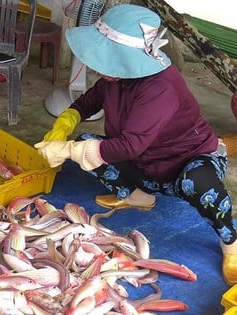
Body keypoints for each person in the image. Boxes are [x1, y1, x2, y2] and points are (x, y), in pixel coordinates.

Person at [34, 4, 237, 285]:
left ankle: (231, 242)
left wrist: (69, 151)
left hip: (187, 161)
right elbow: (90, 101)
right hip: (147, 164)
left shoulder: (161, 87)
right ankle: (140, 197)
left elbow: (131, 146)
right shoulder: (115, 78)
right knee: (86, 143)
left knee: (199, 182)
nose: (99, 66)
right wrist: (66, 122)